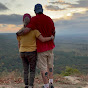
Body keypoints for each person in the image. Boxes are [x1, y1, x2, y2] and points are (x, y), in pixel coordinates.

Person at [16, 4, 55, 88]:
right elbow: (53, 32)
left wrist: (18, 33)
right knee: (50, 65)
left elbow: (26, 30)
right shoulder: (49, 19)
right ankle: (51, 83)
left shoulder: (34, 20)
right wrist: (52, 39)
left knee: (43, 67)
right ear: (42, 10)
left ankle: (46, 86)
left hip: (41, 48)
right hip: (50, 47)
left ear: (35, 11)